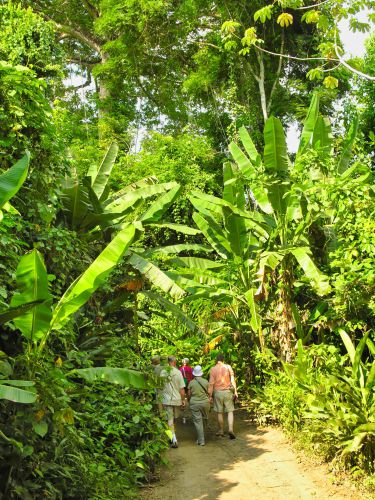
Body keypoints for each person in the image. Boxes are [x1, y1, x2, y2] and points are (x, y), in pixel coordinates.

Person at [208, 353, 238, 440]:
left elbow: (211, 383)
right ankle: (231, 429)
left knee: (219, 412)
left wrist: (210, 395)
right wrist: (235, 391)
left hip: (217, 393)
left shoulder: (213, 369)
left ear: (216, 360)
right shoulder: (228, 367)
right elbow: (233, 380)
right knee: (230, 411)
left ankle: (221, 430)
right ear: (223, 359)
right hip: (228, 391)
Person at [160, 355, 186, 448]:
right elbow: (182, 389)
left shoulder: (163, 372)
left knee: (169, 420)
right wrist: (183, 400)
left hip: (166, 399)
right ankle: (173, 439)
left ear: (168, 362)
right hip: (176, 399)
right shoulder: (178, 372)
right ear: (174, 362)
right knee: (174, 419)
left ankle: (172, 437)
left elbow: (160, 387)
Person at [187, 365, 210, 446]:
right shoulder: (206, 381)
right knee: (205, 418)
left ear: (194, 374)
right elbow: (209, 393)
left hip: (195, 403)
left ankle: (201, 440)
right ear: (201, 373)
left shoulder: (191, 382)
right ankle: (205, 430)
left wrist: (189, 401)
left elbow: (189, 394)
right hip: (205, 403)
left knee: (198, 421)